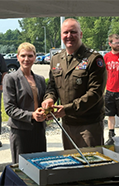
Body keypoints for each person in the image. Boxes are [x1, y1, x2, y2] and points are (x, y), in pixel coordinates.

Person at [42, 18, 107, 150]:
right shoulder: (56, 59)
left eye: (73, 32)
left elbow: (95, 93)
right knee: (72, 165)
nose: (69, 36)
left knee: (91, 166)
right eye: (65, 32)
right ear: (61, 35)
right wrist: (49, 98)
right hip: (67, 124)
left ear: (81, 34)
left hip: (89, 125)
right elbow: (52, 86)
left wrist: (67, 109)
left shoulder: (93, 59)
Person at [3, 42, 47, 163]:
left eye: (30, 56)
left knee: (41, 165)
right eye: (23, 56)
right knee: (22, 169)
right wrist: (31, 115)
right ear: (17, 57)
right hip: (20, 131)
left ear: (35, 57)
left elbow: (44, 102)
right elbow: (10, 108)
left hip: (39, 129)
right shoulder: (10, 78)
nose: (26, 59)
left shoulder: (40, 79)